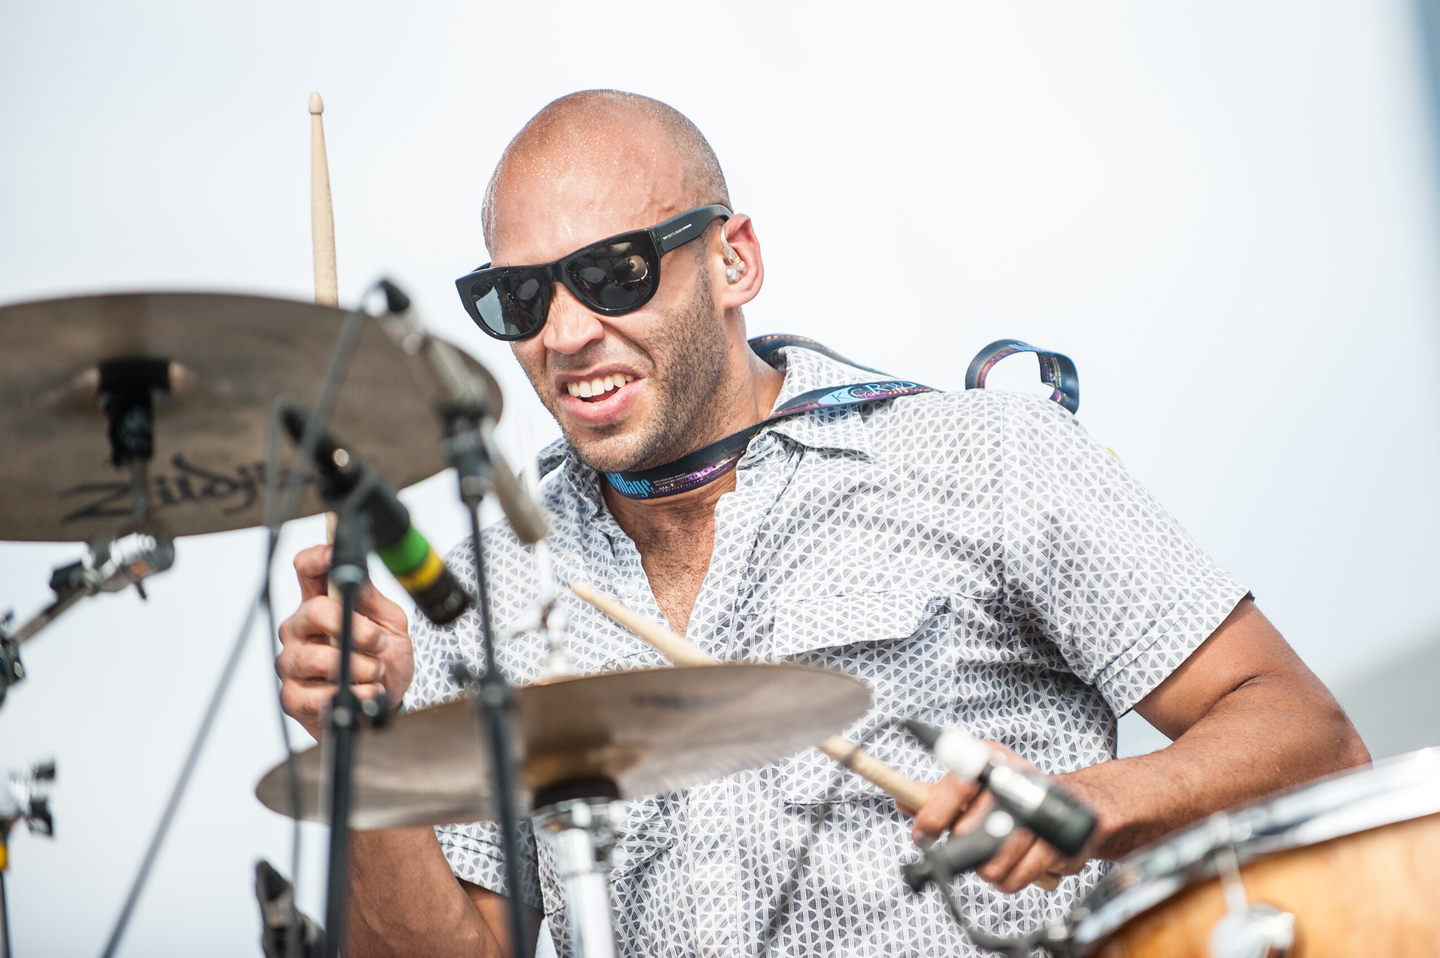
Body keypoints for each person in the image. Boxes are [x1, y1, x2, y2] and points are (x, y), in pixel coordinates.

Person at [276, 90, 1369, 958]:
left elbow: (1310, 736)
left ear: (735, 259)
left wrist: (1087, 804)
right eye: (520, 299)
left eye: (614, 273)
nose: (566, 332)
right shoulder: (480, 577)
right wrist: (357, 743)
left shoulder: (983, 456)